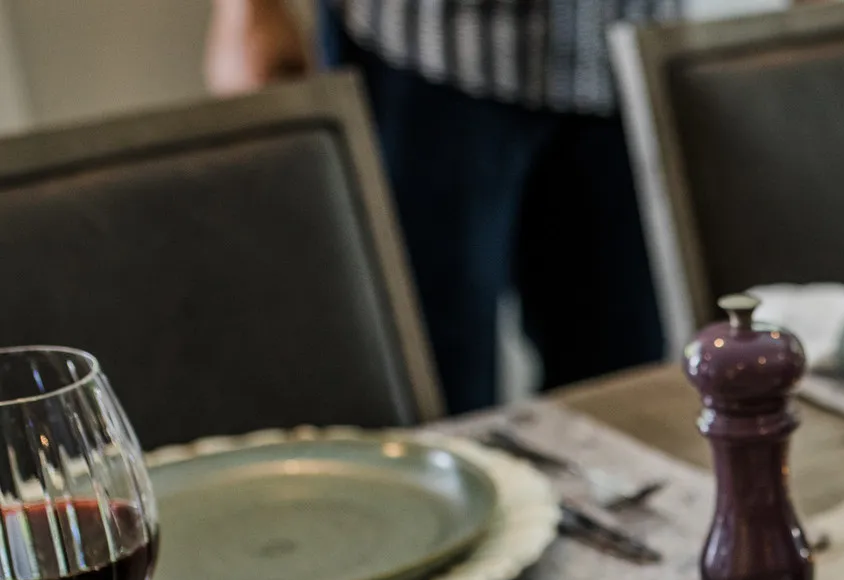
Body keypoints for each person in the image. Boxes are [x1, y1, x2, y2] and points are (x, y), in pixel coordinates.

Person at [207, 0, 674, 413]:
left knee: (619, 398)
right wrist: (249, 8)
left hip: (622, 59)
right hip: (424, 56)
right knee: (433, 401)